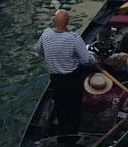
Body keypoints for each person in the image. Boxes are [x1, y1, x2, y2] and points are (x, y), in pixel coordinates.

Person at [36, 9, 96, 144]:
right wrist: (94, 59)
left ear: (53, 21)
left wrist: (54, 55)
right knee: (74, 109)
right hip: (72, 79)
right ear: (67, 23)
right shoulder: (73, 38)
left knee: (61, 108)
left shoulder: (45, 35)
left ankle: (62, 136)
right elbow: (86, 60)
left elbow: (39, 51)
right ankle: (70, 139)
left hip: (55, 80)